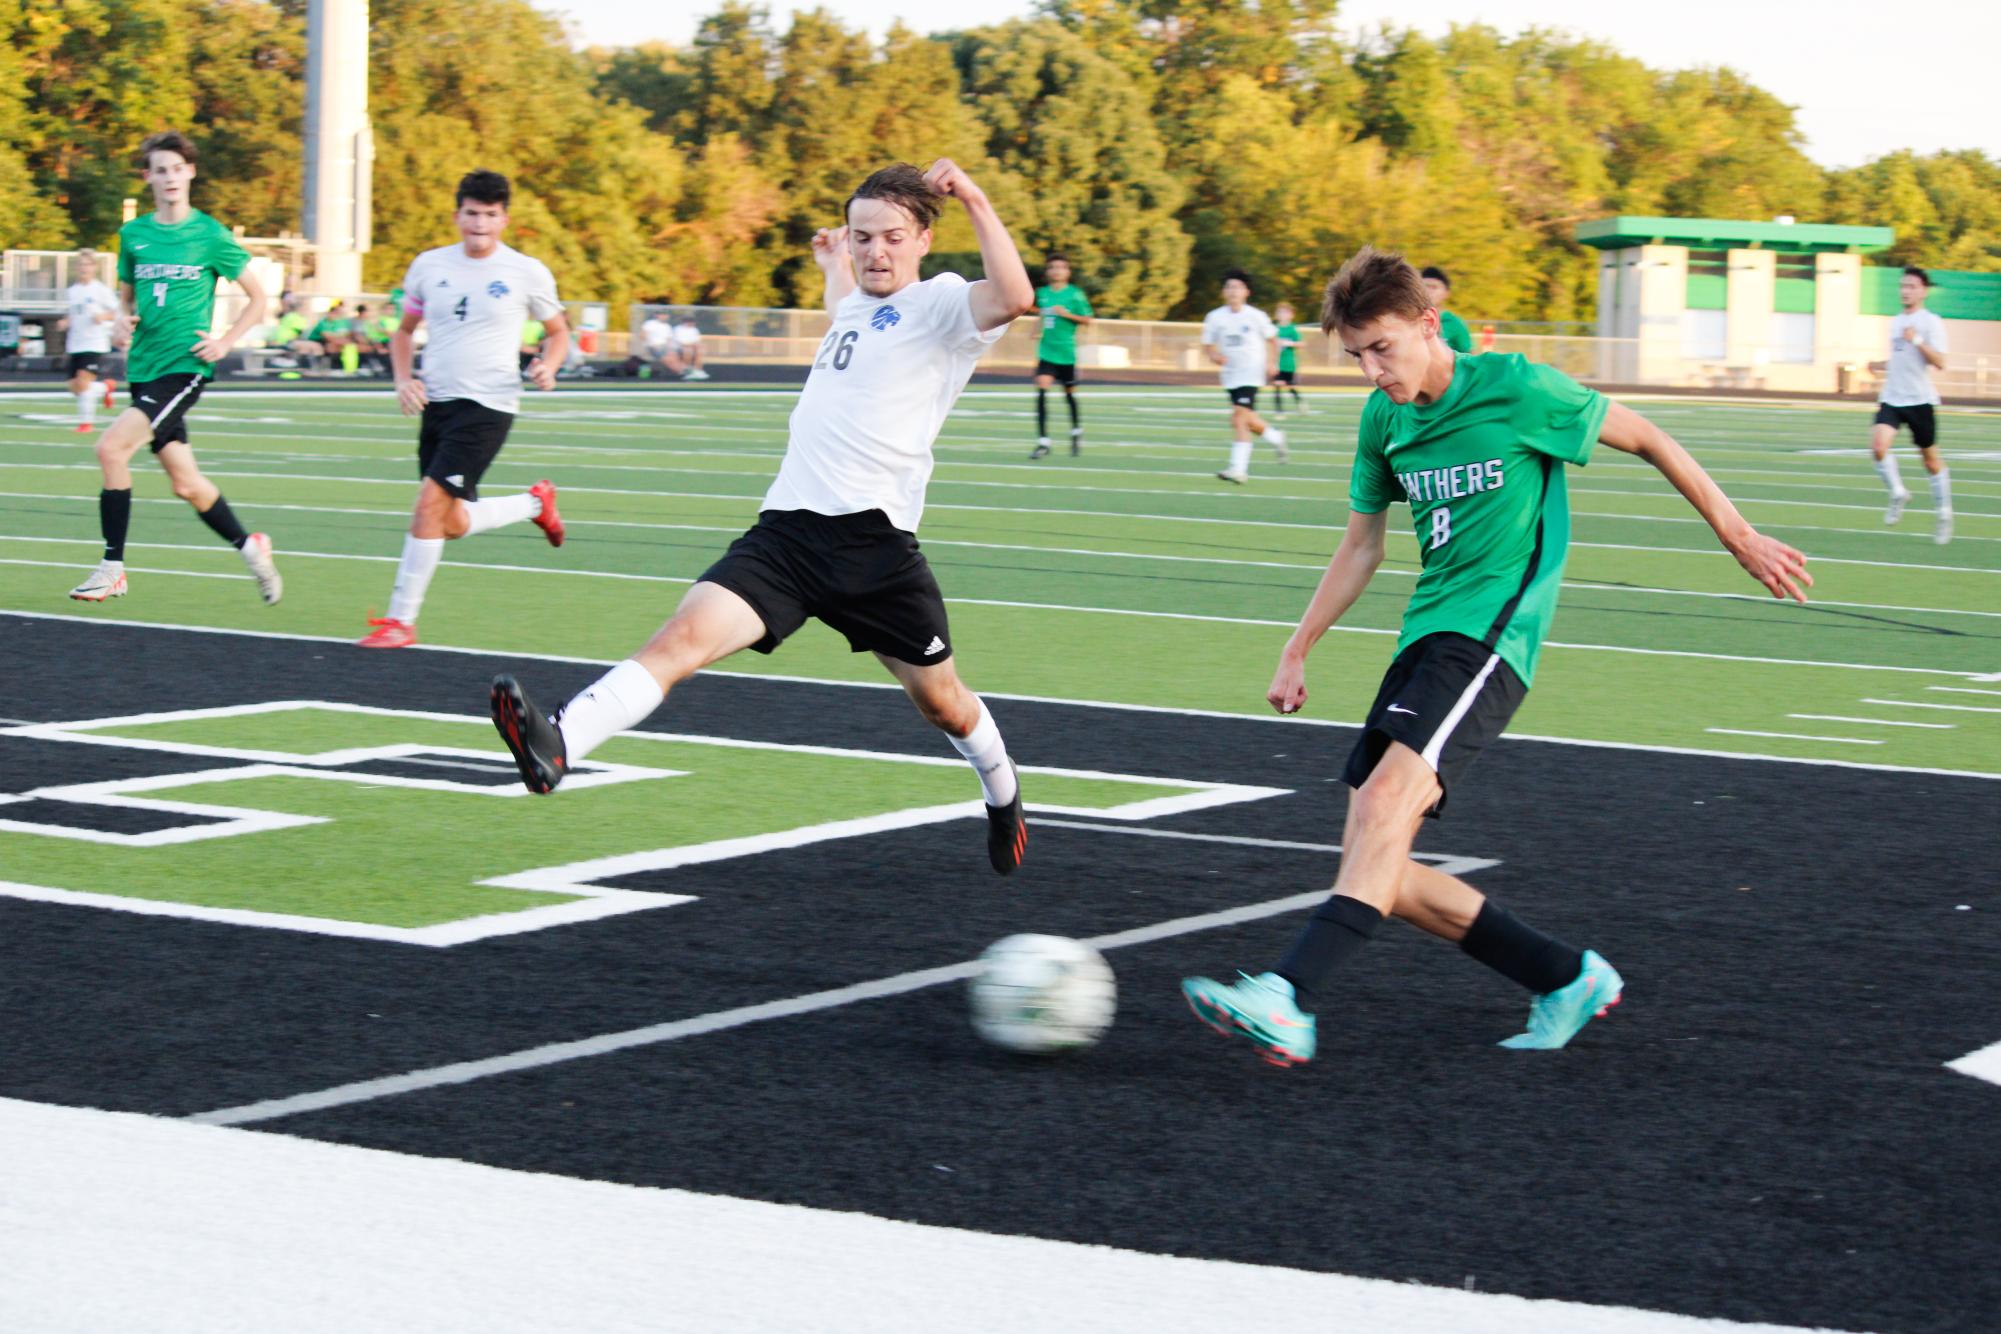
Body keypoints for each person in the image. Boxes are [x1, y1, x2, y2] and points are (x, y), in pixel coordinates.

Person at [1181, 247, 1811, 1066]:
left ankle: (1289, 996)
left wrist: (1738, 535)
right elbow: (1360, 548)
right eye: (1355, 356)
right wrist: (1297, 645)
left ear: (1427, 325)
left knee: (1377, 818)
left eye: (1383, 349)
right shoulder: (1384, 421)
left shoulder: (1517, 389)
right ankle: (1565, 977)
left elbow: (1649, 437)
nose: (1372, 372)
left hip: (1492, 638)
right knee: (1381, 868)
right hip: (1424, 638)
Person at [488, 159, 1035, 876]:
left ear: (925, 239)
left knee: (943, 705)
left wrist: (974, 197)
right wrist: (829, 262)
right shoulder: (853, 302)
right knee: (680, 638)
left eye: (892, 238)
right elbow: (850, 300)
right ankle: (558, 742)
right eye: (862, 236)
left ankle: (1003, 794)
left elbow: (1016, 295)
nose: (876, 251)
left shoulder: (940, 307)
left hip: (874, 550)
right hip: (785, 536)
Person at [356, 169, 571, 649]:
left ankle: (400, 621)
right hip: (438, 404)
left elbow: (558, 333)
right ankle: (536, 503)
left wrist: (548, 368)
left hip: (489, 404)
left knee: (427, 506)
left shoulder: (526, 271)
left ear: (504, 220)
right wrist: (403, 379)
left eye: (490, 216)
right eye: (472, 214)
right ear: (458, 215)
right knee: (447, 521)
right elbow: (404, 332)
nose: (480, 225)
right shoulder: (429, 266)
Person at [67, 130, 282, 606]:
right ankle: (252, 548)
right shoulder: (134, 235)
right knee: (186, 484)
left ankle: (112, 567)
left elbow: (259, 297)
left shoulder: (210, 235)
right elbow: (128, 295)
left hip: (184, 369)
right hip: (142, 368)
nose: (169, 178)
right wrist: (123, 321)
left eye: (177, 169)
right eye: (160, 170)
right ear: (148, 178)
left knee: (110, 449)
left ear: (191, 173)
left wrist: (225, 341)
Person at [1868, 266, 1952, 545]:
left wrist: (1917, 339)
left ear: (1923, 291)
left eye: (1912, 286)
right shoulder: (1895, 322)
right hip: (1892, 397)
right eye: (1903, 286)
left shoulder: (1930, 322)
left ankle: (1943, 512)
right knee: (1879, 447)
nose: (1905, 291)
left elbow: (1940, 362)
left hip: (1920, 400)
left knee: (1931, 461)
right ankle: (1897, 492)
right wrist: (1879, 365)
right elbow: (1900, 359)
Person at [1202, 269, 1286, 483]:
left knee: (1238, 417)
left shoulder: (1256, 316)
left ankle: (1238, 469)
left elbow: (1273, 340)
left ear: (1246, 292)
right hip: (1230, 375)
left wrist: (1272, 362)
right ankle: (1276, 437)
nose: (1233, 291)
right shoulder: (1214, 317)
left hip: (1251, 372)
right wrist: (1215, 357)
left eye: (1237, 287)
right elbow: (1208, 345)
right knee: (1246, 419)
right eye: (1229, 287)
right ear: (1223, 292)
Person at [1028, 252, 1092, 458]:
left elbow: (1087, 319)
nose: (1056, 271)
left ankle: (1075, 431)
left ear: (1068, 271)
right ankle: (1043, 441)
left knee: (1069, 394)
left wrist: (1067, 314)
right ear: (1048, 271)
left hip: (1066, 352)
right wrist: (1036, 328)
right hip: (1047, 351)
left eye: (1061, 267)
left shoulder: (1075, 294)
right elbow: (1041, 314)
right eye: (1052, 267)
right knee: (1042, 389)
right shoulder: (1043, 293)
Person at [60, 250, 120, 433]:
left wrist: (103, 316)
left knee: (83, 382)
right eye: (81, 264)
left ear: (94, 267)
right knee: (74, 387)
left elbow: (118, 312)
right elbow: (71, 314)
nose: (83, 268)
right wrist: (65, 322)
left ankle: (86, 423)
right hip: (75, 343)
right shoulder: (71, 291)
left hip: (94, 342)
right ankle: (105, 387)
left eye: (87, 264)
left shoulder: (101, 290)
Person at [1420, 266, 1473, 354]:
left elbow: (1468, 355)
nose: (1428, 291)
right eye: (1424, 286)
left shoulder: (1454, 323)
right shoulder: (1407, 319)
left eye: (1433, 287)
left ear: (1447, 293)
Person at [1269, 300, 1305, 417]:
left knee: (1290, 386)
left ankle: (1300, 402)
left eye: (1285, 312)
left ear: (1290, 315)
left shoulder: (1292, 329)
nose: (1282, 315)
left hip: (1289, 363)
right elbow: (1270, 343)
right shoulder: (1274, 329)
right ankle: (1279, 411)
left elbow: (1301, 344)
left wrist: (1289, 343)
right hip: (1277, 363)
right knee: (1277, 385)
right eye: (1280, 312)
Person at [640, 310, 675, 376]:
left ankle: (686, 371)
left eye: (665, 315)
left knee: (674, 355)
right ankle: (685, 372)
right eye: (661, 314)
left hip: (664, 347)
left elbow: (669, 340)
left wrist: (670, 349)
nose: (664, 316)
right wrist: (649, 343)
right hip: (653, 346)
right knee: (668, 358)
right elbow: (643, 335)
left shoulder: (667, 326)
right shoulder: (650, 324)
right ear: (656, 315)